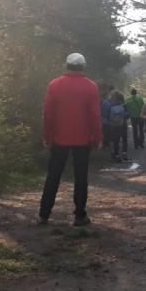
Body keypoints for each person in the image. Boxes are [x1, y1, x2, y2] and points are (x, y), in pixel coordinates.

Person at [38, 53, 102, 226]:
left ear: (67, 65)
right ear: (83, 66)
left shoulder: (54, 84)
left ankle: (44, 214)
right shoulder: (91, 86)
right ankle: (79, 215)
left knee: (53, 176)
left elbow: (48, 114)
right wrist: (97, 138)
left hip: (59, 138)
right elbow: (95, 115)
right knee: (81, 177)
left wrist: (47, 137)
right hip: (83, 139)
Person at [108, 91, 128, 162]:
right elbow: (127, 115)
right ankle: (124, 153)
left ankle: (116, 154)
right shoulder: (124, 106)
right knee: (124, 139)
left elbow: (108, 116)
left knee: (116, 140)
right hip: (123, 125)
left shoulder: (111, 106)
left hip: (114, 126)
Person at [100, 85, 113, 149]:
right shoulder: (109, 103)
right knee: (108, 133)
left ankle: (104, 144)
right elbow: (110, 112)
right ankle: (107, 144)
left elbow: (101, 111)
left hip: (103, 120)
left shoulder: (103, 103)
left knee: (104, 133)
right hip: (108, 120)